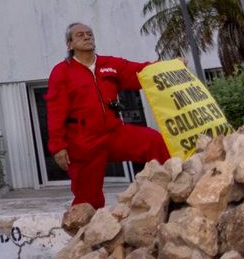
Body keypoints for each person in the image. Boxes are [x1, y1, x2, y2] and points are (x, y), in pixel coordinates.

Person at [44, 22, 170, 209]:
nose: (87, 37)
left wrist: (170, 67)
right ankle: (89, 232)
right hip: (83, 142)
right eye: (80, 35)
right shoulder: (61, 72)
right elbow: (55, 110)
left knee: (153, 141)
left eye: (89, 34)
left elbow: (142, 72)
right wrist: (58, 146)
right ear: (69, 45)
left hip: (114, 132)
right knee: (87, 201)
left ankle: (170, 191)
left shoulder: (110, 64)